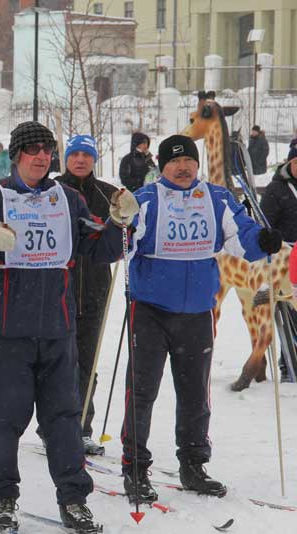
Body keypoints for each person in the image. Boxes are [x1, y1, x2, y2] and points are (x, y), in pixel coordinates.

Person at [0, 121, 134, 533]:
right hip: (5, 333)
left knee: (64, 420)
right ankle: (4, 498)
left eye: (47, 150)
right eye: (32, 150)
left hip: (56, 329)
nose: (41, 157)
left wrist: (120, 222)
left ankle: (74, 500)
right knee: (3, 421)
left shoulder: (66, 199)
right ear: (17, 156)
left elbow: (100, 247)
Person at [121, 135, 282, 505]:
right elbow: (125, 240)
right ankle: (135, 466)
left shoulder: (216, 198)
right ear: (161, 167)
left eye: (189, 162)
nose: (182, 168)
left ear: (197, 164)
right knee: (142, 390)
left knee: (195, 393)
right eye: (175, 163)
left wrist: (264, 240)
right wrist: (123, 226)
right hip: (150, 309)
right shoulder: (147, 200)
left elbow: (241, 240)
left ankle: (193, 464)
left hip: (197, 311)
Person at [54, 134, 118, 456]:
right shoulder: (52, 191)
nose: (80, 160)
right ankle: (54, 426)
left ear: (94, 159)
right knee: (58, 362)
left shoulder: (108, 194)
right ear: (66, 158)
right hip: (56, 291)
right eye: (75, 154)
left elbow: (123, 240)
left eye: (86, 155)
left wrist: (127, 224)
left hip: (94, 290)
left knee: (86, 361)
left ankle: (81, 428)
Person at [260, 145, 297, 379]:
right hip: (287, 259)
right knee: (293, 313)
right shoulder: (276, 189)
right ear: (289, 163)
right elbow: (265, 225)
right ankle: (289, 363)